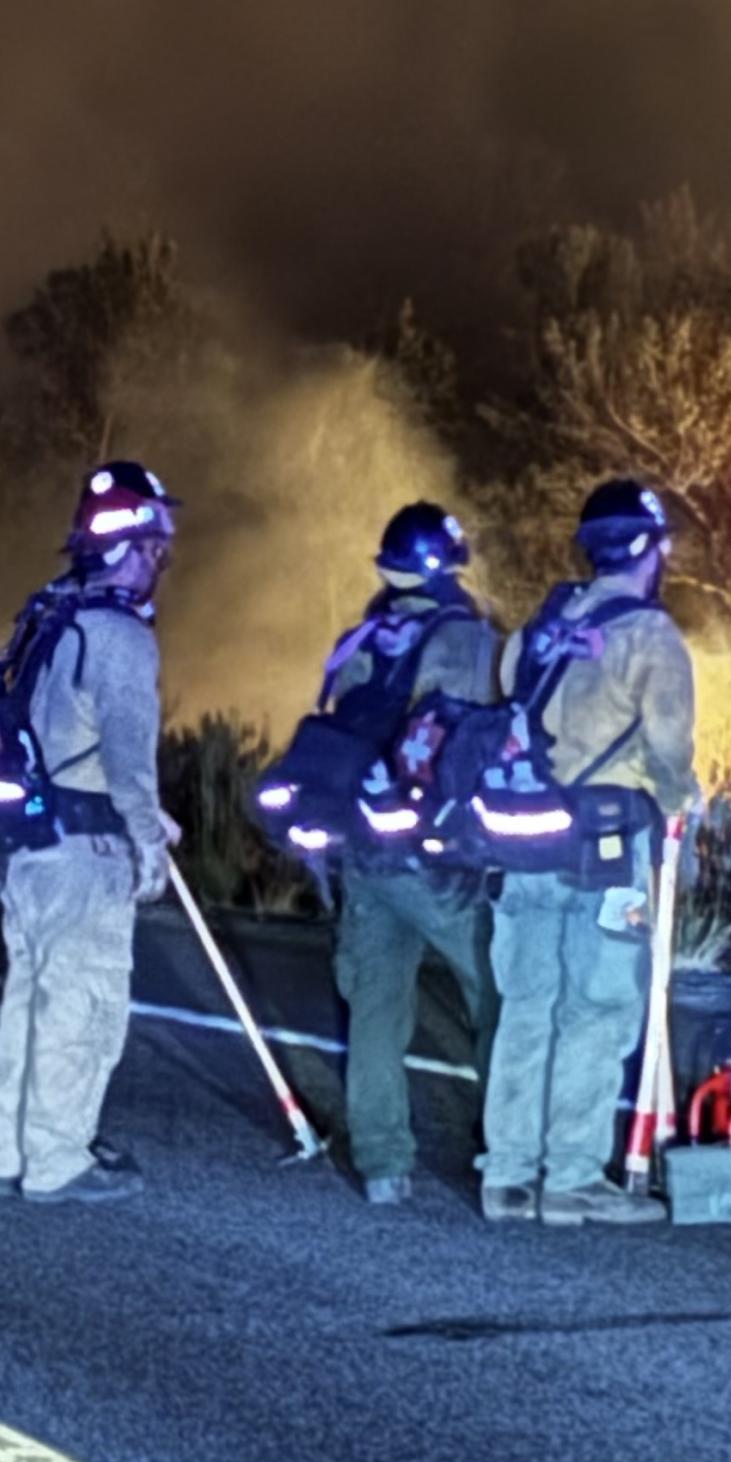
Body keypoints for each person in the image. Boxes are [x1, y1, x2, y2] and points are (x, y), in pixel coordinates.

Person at [480, 480, 697, 1228]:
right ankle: (571, 1177)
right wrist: (677, 797)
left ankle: (507, 1177)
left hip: (525, 836)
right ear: (647, 548)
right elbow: (668, 741)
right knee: (598, 1006)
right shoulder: (651, 637)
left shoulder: (541, 626)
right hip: (605, 844)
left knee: (527, 1005)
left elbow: (508, 694)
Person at [0, 462, 182, 1205]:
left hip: (30, 849)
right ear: (134, 546)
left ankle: (9, 1152)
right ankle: (59, 1159)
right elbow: (128, 757)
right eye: (158, 544)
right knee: (84, 1003)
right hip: (85, 857)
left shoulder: (50, 618)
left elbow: (62, 735)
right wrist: (148, 846)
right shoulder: (122, 637)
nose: (161, 560)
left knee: (27, 1000)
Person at [322, 503, 503, 1206]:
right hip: (437, 861)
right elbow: (483, 742)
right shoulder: (465, 639)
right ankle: (504, 1150)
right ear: (447, 562)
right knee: (497, 994)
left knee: (375, 1008)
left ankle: (382, 1166)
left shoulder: (362, 637)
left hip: (364, 852)